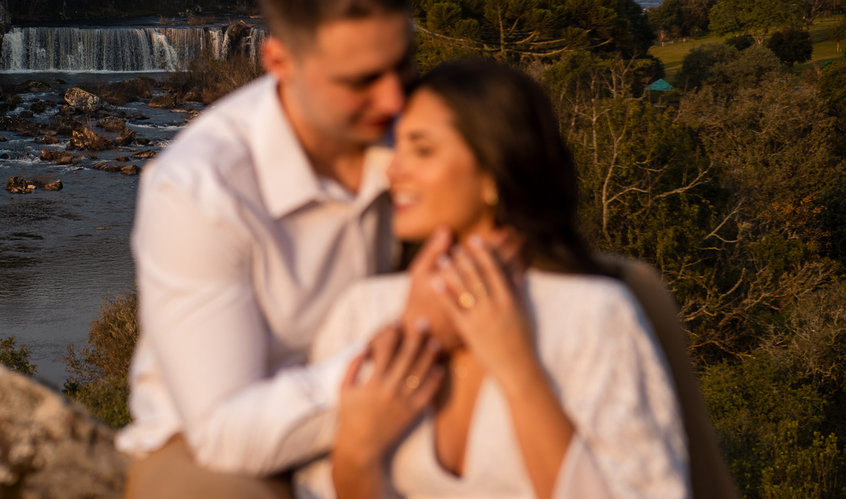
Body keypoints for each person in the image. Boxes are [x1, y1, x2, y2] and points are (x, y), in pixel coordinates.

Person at [295, 59, 690, 499]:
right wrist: (356, 456)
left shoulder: (592, 315)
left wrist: (517, 367)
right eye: (397, 146)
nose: (393, 170)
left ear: (492, 173)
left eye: (422, 149)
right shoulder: (364, 310)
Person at [117, 0, 416, 498]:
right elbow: (225, 432)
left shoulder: (421, 132)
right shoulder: (201, 188)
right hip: (222, 447)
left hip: (397, 405)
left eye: (402, 65)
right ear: (278, 60)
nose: (394, 101)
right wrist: (386, 365)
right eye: (360, 81)